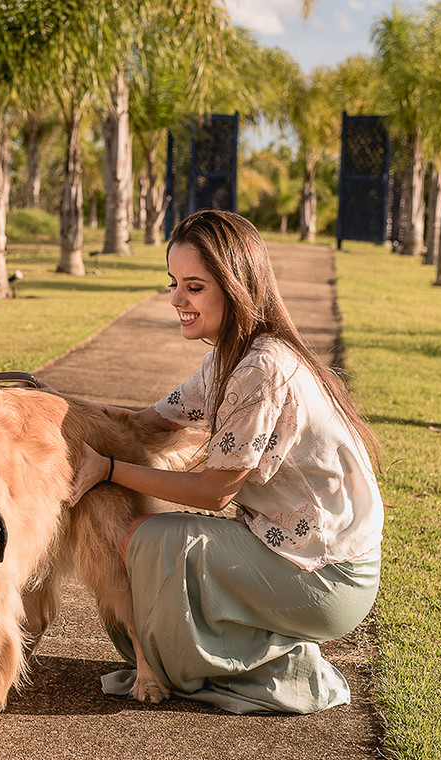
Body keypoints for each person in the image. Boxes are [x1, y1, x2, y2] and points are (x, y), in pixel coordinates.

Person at [70, 209, 383, 715]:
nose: (176, 300)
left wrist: (108, 469)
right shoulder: (229, 357)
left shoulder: (262, 368)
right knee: (145, 542)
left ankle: (282, 669)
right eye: (173, 283)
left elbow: (216, 493)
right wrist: (57, 411)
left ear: (235, 286)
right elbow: (149, 422)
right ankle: (221, 654)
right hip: (292, 553)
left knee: (143, 540)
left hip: (329, 577)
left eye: (194, 287)